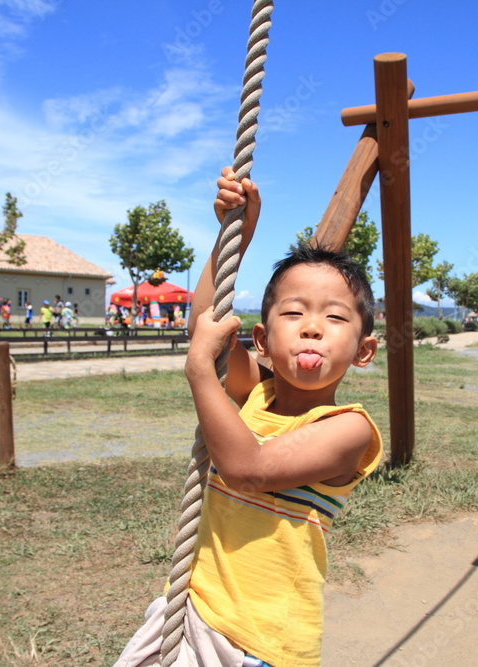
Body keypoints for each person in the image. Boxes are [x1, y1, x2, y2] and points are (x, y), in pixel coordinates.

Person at [115, 168, 382, 667]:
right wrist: (233, 236)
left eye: (335, 317)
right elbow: (206, 326)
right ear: (261, 341)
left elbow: (249, 470)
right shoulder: (256, 393)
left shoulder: (349, 429)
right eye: (293, 313)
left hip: (261, 641)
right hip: (194, 612)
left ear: (364, 350)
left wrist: (199, 374)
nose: (312, 328)